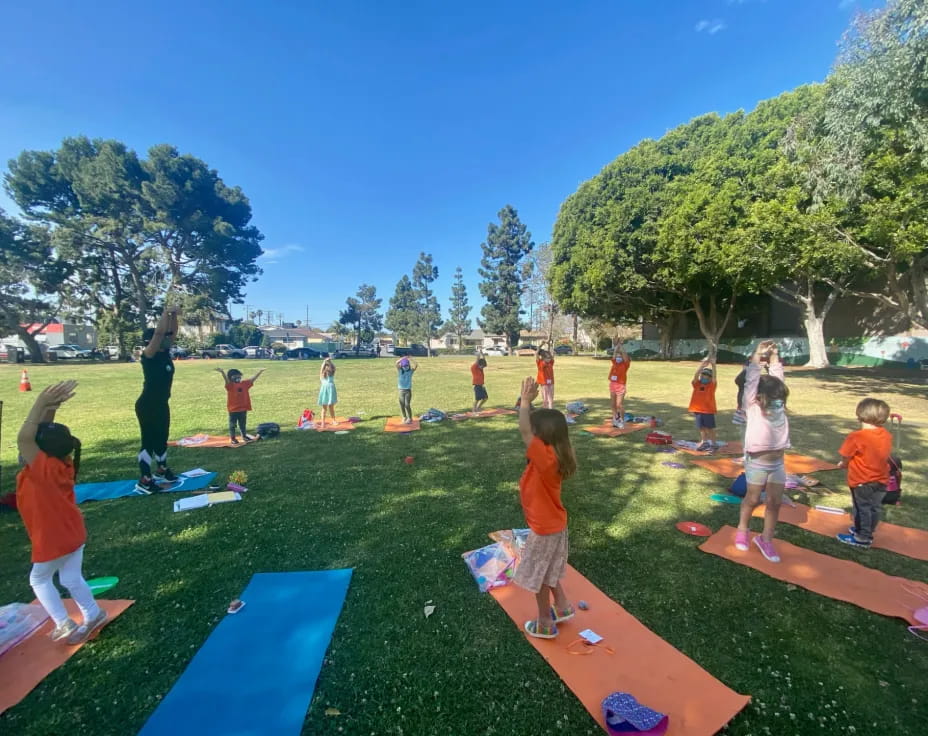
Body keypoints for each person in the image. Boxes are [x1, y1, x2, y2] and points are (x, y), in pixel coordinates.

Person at [16, 381, 108, 645]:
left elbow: (25, 437)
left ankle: (63, 623)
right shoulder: (60, 462)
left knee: (40, 578)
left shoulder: (41, 470)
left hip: (53, 537)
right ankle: (93, 613)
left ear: (40, 451)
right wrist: (50, 408)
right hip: (72, 532)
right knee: (69, 577)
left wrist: (39, 404)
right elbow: (40, 436)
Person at [514, 376, 578, 639]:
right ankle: (562, 607)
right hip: (555, 526)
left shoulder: (545, 458)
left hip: (544, 529)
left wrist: (526, 402)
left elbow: (524, 431)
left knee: (538, 575)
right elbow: (530, 432)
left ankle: (544, 622)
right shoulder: (557, 453)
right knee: (549, 569)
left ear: (542, 437)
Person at [735, 341, 791, 563]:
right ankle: (742, 528)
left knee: (775, 502)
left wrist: (775, 356)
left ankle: (766, 539)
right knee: (753, 498)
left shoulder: (779, 404)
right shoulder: (752, 404)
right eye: (774, 398)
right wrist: (757, 355)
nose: (778, 402)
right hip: (757, 462)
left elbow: (778, 378)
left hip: (778, 462)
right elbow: (751, 379)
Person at [836, 398, 893, 549]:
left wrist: (844, 464)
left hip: (863, 480)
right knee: (874, 507)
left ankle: (863, 537)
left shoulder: (856, 436)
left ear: (860, 414)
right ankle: (864, 529)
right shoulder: (886, 434)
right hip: (881, 479)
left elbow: (846, 455)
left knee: (862, 508)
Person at [135, 303, 179, 494]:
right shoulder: (149, 355)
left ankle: (161, 469)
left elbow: (170, 333)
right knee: (149, 442)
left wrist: (174, 314)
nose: (166, 340)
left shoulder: (165, 353)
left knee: (162, 439)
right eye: (160, 339)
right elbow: (160, 334)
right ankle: (145, 479)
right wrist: (165, 312)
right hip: (147, 405)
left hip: (162, 404)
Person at [214, 366, 265, 443]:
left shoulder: (245, 384)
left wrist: (260, 372)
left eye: (238, 375)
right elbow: (226, 380)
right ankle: (233, 439)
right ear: (230, 377)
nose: (237, 377)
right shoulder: (230, 386)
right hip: (233, 410)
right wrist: (222, 372)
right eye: (234, 376)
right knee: (232, 425)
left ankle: (244, 436)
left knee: (242, 424)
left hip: (243, 409)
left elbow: (252, 379)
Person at [688, 359, 718, 451]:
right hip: (697, 410)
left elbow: (714, 377)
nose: (705, 377)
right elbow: (695, 376)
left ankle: (713, 444)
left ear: (710, 378)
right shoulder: (697, 384)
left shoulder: (711, 386)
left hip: (708, 410)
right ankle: (704, 442)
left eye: (707, 376)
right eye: (703, 375)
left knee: (710, 428)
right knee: (701, 427)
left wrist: (713, 366)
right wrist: (701, 366)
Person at [608, 340, 631, 428]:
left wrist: (621, 347)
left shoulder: (625, 364)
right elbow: (614, 354)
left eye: (619, 357)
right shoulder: (614, 363)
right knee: (613, 404)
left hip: (620, 385)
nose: (618, 358)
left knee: (619, 404)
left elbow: (625, 356)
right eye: (617, 356)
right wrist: (617, 347)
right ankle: (615, 419)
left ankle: (621, 420)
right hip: (613, 384)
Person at [396, 357, 418, 423]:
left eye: (407, 365)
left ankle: (410, 418)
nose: (405, 367)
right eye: (404, 366)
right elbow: (396, 363)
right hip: (401, 391)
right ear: (402, 366)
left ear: (408, 365)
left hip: (408, 391)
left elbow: (416, 365)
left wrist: (411, 359)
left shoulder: (411, 371)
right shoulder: (400, 371)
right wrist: (403, 358)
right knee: (402, 404)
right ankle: (404, 417)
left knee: (407, 405)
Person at [318, 358, 338, 427]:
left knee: (330, 408)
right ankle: (323, 422)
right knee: (325, 408)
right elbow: (322, 369)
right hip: (325, 393)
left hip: (330, 392)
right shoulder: (322, 376)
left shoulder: (331, 375)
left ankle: (333, 420)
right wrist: (325, 362)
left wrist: (328, 362)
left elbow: (333, 368)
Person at [535, 343, 555, 410]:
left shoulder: (550, 363)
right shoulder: (540, 362)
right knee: (545, 399)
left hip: (551, 382)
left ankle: (551, 411)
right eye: (548, 357)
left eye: (550, 357)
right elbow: (536, 354)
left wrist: (550, 345)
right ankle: (545, 411)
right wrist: (540, 345)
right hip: (544, 383)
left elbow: (552, 354)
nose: (549, 359)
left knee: (551, 399)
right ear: (543, 357)